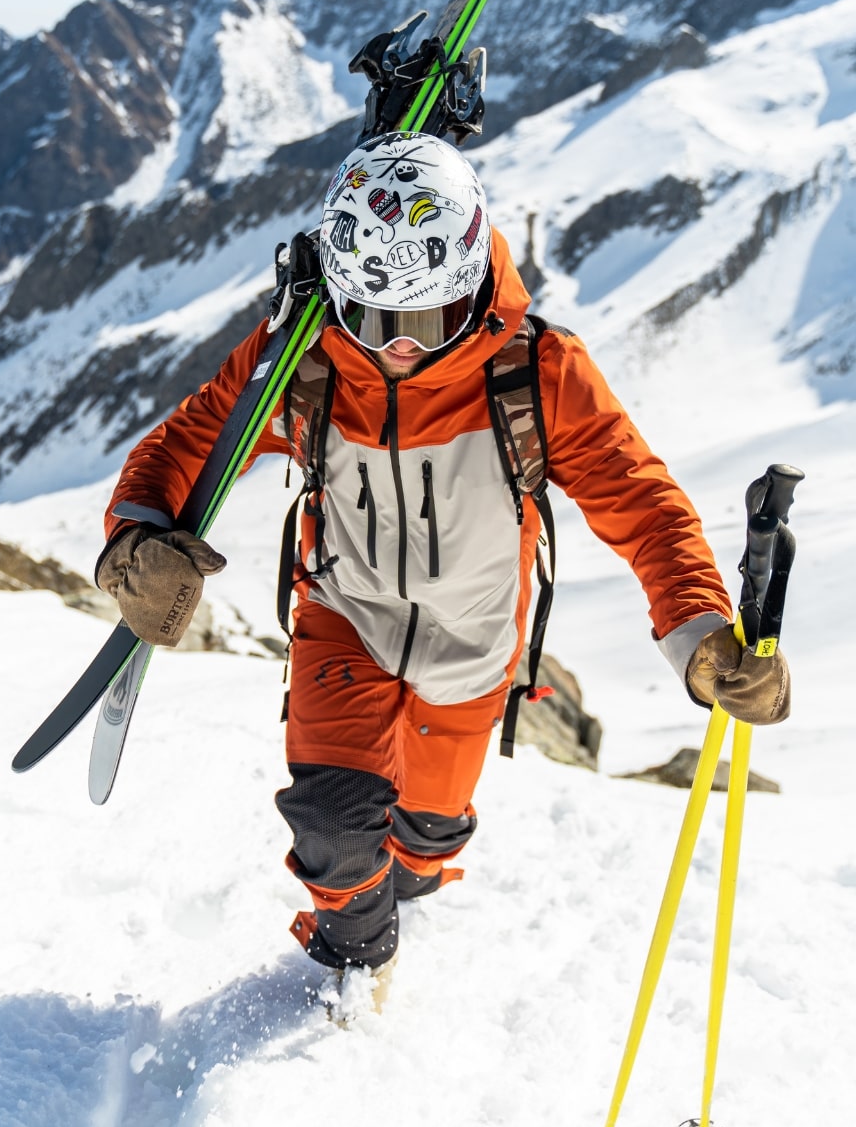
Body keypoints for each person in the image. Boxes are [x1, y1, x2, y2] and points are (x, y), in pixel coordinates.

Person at [96, 132, 790, 981]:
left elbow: (642, 503)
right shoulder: (304, 358)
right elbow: (188, 442)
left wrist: (702, 633)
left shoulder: (538, 373)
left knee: (424, 840)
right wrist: (134, 536)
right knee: (332, 830)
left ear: (467, 286)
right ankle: (352, 979)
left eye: (421, 319)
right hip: (344, 615)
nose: (397, 345)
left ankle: (410, 896)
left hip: (472, 648)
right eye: (372, 315)